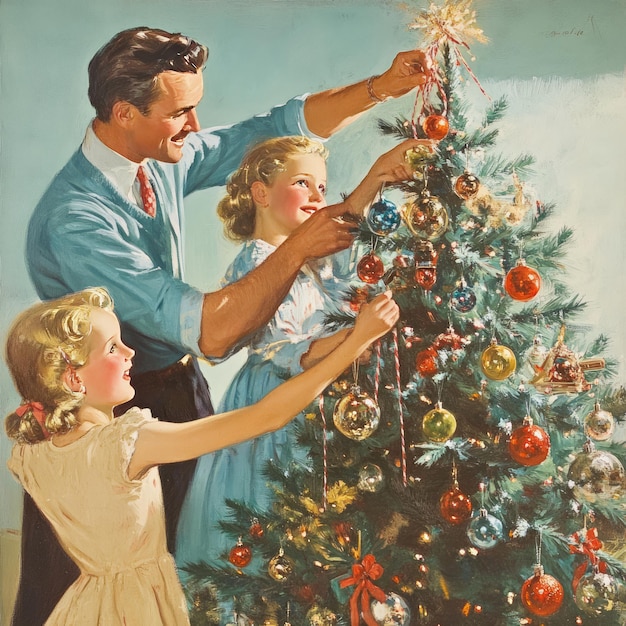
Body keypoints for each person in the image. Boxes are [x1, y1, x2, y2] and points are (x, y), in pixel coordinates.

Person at [21, 25, 432, 625]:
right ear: (123, 112)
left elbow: (265, 131)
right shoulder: (75, 221)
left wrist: (380, 87)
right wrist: (296, 250)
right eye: (180, 112)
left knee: (195, 569)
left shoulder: (151, 154)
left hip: (173, 392)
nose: (194, 126)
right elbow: (211, 332)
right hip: (99, 427)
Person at [5, 286, 399, 626]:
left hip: (84, 607)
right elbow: (267, 416)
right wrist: (357, 341)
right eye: (112, 348)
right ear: (74, 379)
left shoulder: (33, 453)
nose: (130, 352)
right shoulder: (125, 443)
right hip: (137, 608)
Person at [176, 135, 435, 577]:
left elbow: (343, 227)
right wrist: (361, 333)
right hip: (278, 406)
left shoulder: (315, 261)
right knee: (279, 529)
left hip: (323, 399)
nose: (318, 197)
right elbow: (295, 353)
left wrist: (378, 175)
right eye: (302, 183)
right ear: (261, 193)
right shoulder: (257, 262)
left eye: (321, 186)